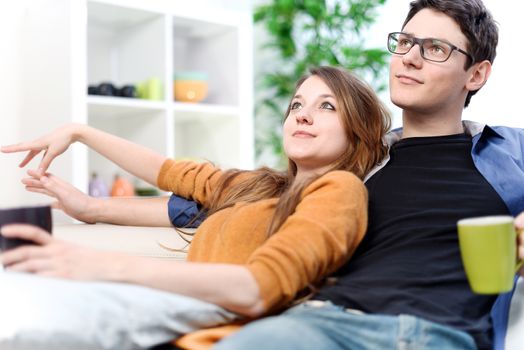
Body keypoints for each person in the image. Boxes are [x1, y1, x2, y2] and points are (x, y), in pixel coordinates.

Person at [206, 1, 524, 350]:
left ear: (475, 74)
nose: (409, 58)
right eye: (405, 42)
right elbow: (235, 191)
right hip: (319, 323)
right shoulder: (354, 159)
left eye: (435, 49)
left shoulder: (511, 149)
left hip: (436, 335)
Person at [0, 66, 391, 346]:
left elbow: (261, 288)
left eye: (327, 107)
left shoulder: (340, 190)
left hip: (210, 312)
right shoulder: (260, 187)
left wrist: (98, 264)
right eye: (297, 105)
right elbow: (167, 172)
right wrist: (79, 138)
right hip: (173, 303)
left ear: (356, 132)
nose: (302, 114)